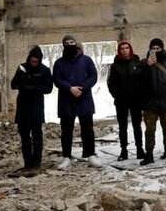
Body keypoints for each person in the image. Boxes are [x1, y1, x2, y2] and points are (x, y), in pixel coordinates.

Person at [52, 35, 100, 169]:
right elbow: (56, 79)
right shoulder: (59, 63)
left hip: (84, 99)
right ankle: (66, 157)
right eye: (66, 43)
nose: (69, 44)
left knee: (87, 129)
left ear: (76, 44)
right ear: (63, 45)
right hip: (66, 100)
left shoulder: (86, 60)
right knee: (66, 130)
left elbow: (93, 76)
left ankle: (91, 155)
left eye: (72, 42)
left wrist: (83, 88)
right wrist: (69, 88)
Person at [10, 45, 54, 172]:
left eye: (36, 61)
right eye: (32, 61)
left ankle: (37, 162)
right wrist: (21, 78)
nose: (34, 64)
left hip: (36, 105)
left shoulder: (44, 70)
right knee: (24, 136)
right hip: (23, 105)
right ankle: (27, 162)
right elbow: (13, 85)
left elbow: (48, 88)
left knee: (37, 135)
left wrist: (35, 87)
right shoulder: (22, 68)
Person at [139, 39, 166, 165]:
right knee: (150, 130)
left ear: (162, 49)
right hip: (150, 103)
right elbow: (139, 78)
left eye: (158, 48)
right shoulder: (144, 63)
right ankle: (149, 154)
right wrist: (148, 65)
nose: (156, 51)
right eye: (153, 48)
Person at [107, 40, 145, 161]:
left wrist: (140, 93)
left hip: (136, 99)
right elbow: (111, 83)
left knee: (137, 125)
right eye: (122, 48)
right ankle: (124, 150)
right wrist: (116, 95)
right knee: (122, 126)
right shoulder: (115, 66)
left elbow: (142, 79)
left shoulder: (136, 62)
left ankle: (140, 148)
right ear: (119, 51)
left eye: (126, 48)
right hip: (121, 100)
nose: (124, 50)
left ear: (130, 49)